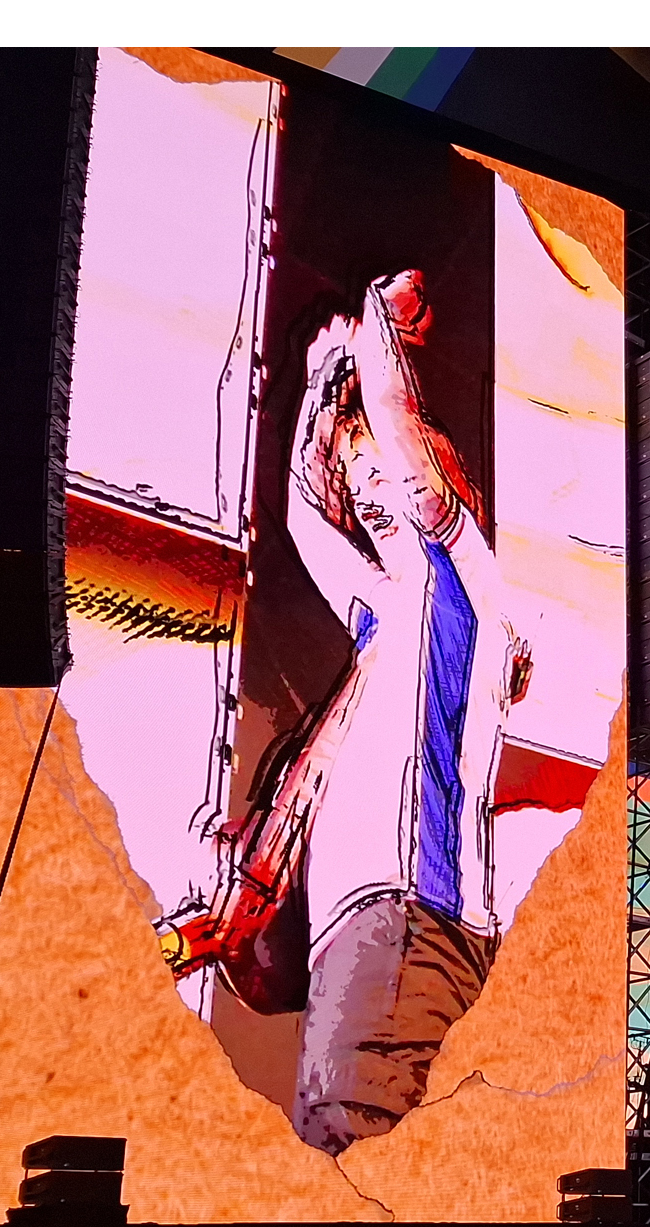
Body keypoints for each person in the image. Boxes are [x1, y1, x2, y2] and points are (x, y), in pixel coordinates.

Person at [161, 268, 529, 1154]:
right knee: (344, 1161)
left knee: (354, 1163)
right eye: (358, 481)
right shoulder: (386, 611)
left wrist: (372, 335)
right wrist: (322, 391)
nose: (367, 494)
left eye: (379, 477)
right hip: (371, 937)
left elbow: (402, 444)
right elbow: (304, 516)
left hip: (405, 924)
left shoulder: (460, 577)